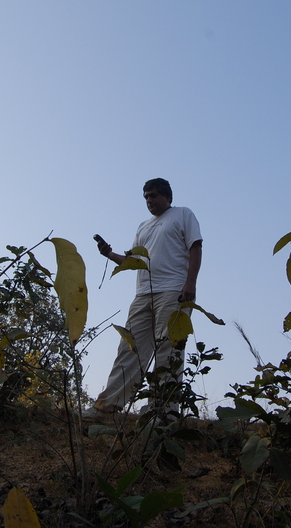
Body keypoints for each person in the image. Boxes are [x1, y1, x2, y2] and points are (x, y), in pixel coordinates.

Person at [83, 178, 202, 421]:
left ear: (167, 197)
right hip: (142, 294)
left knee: (168, 348)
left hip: (173, 291)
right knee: (130, 348)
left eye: (154, 195)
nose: (150, 200)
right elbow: (132, 261)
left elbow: (195, 247)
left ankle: (163, 411)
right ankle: (107, 407)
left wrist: (190, 283)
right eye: (146, 197)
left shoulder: (183, 214)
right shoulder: (143, 227)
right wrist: (109, 254)